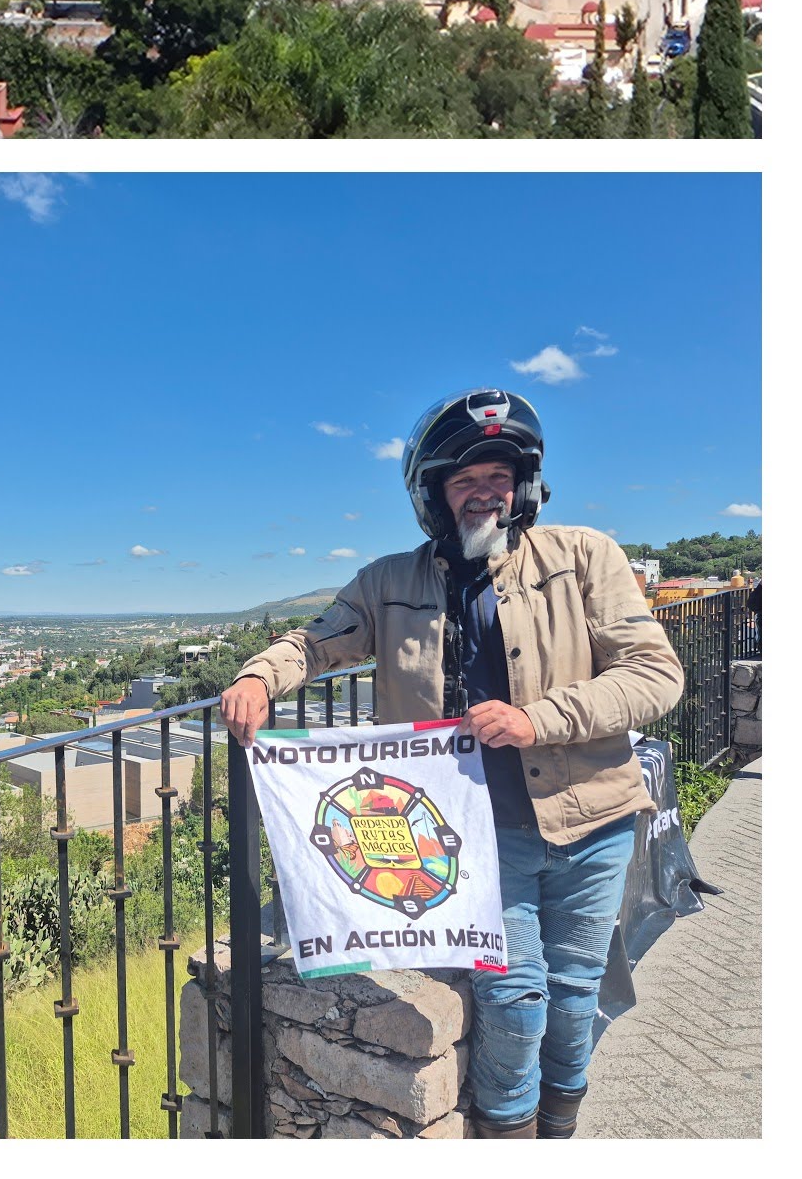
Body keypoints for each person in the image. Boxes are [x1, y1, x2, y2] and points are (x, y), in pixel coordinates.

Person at [220, 389, 683, 1139]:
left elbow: (655, 675)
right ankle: (508, 1134)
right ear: (433, 494)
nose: (485, 493)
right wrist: (256, 677)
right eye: (464, 480)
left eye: (499, 477)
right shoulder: (387, 581)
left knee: (574, 990)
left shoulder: (585, 557)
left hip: (591, 818)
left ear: (525, 485)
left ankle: (561, 1123)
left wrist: (539, 719)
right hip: (469, 837)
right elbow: (316, 642)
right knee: (514, 995)